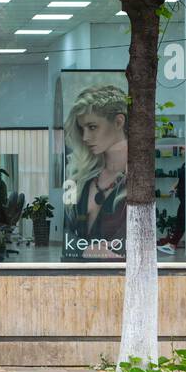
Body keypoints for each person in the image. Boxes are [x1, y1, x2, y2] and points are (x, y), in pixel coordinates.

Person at [61, 84, 128, 261]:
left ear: (118, 122)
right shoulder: (80, 177)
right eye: (82, 129)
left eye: (92, 127)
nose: (85, 138)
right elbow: (66, 235)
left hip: (119, 281)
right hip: (74, 278)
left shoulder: (139, 180)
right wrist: (85, 251)